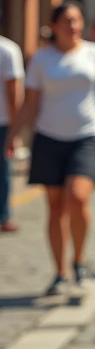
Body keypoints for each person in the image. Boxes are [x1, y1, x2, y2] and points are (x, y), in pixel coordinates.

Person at [7, 2, 95, 296]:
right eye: (66, 21)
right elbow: (31, 102)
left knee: (77, 197)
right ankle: (60, 272)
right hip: (48, 137)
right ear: (54, 25)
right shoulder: (42, 59)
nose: (72, 26)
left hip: (86, 135)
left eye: (76, 20)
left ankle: (80, 260)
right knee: (55, 206)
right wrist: (13, 135)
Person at [0, 33, 24, 232]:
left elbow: (13, 90)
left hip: (3, 121)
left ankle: (3, 216)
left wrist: (15, 129)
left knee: (3, 171)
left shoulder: (7, 49)